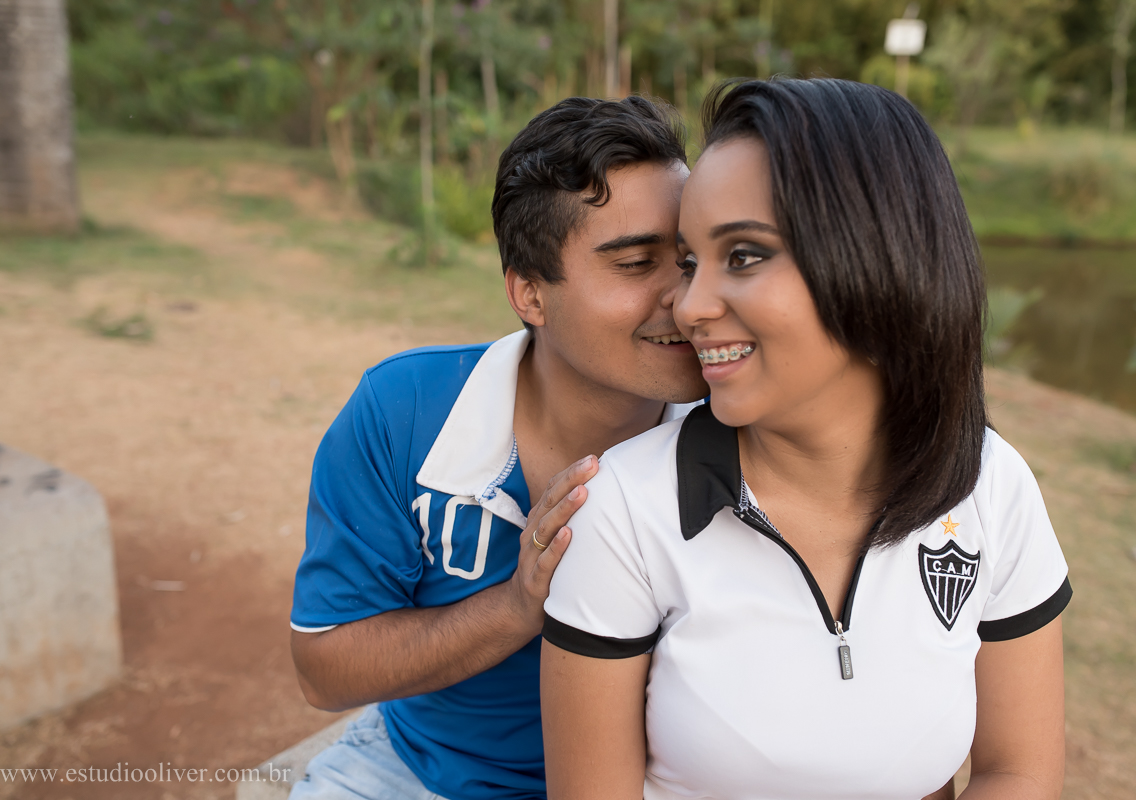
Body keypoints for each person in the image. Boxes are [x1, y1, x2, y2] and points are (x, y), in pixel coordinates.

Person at [541, 78, 1072, 800]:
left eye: (744, 255)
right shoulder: (624, 511)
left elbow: (1020, 770)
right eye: (692, 263)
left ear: (878, 256)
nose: (689, 306)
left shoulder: (990, 485)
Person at [287, 95, 707, 800]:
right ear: (530, 294)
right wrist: (516, 605)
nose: (688, 300)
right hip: (414, 770)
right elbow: (325, 668)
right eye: (637, 263)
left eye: (693, 260)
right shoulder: (407, 414)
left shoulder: (740, 427)